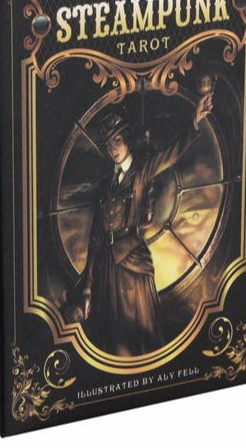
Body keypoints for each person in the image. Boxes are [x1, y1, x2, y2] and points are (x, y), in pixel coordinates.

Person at [82, 93, 213, 356]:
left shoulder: (142, 171)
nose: (113, 149)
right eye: (108, 145)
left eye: (117, 141)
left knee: (140, 336)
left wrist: (194, 123)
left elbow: (170, 155)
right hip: (106, 270)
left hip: (133, 264)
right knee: (112, 338)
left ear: (127, 141)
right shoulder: (105, 186)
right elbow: (95, 239)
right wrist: (87, 287)